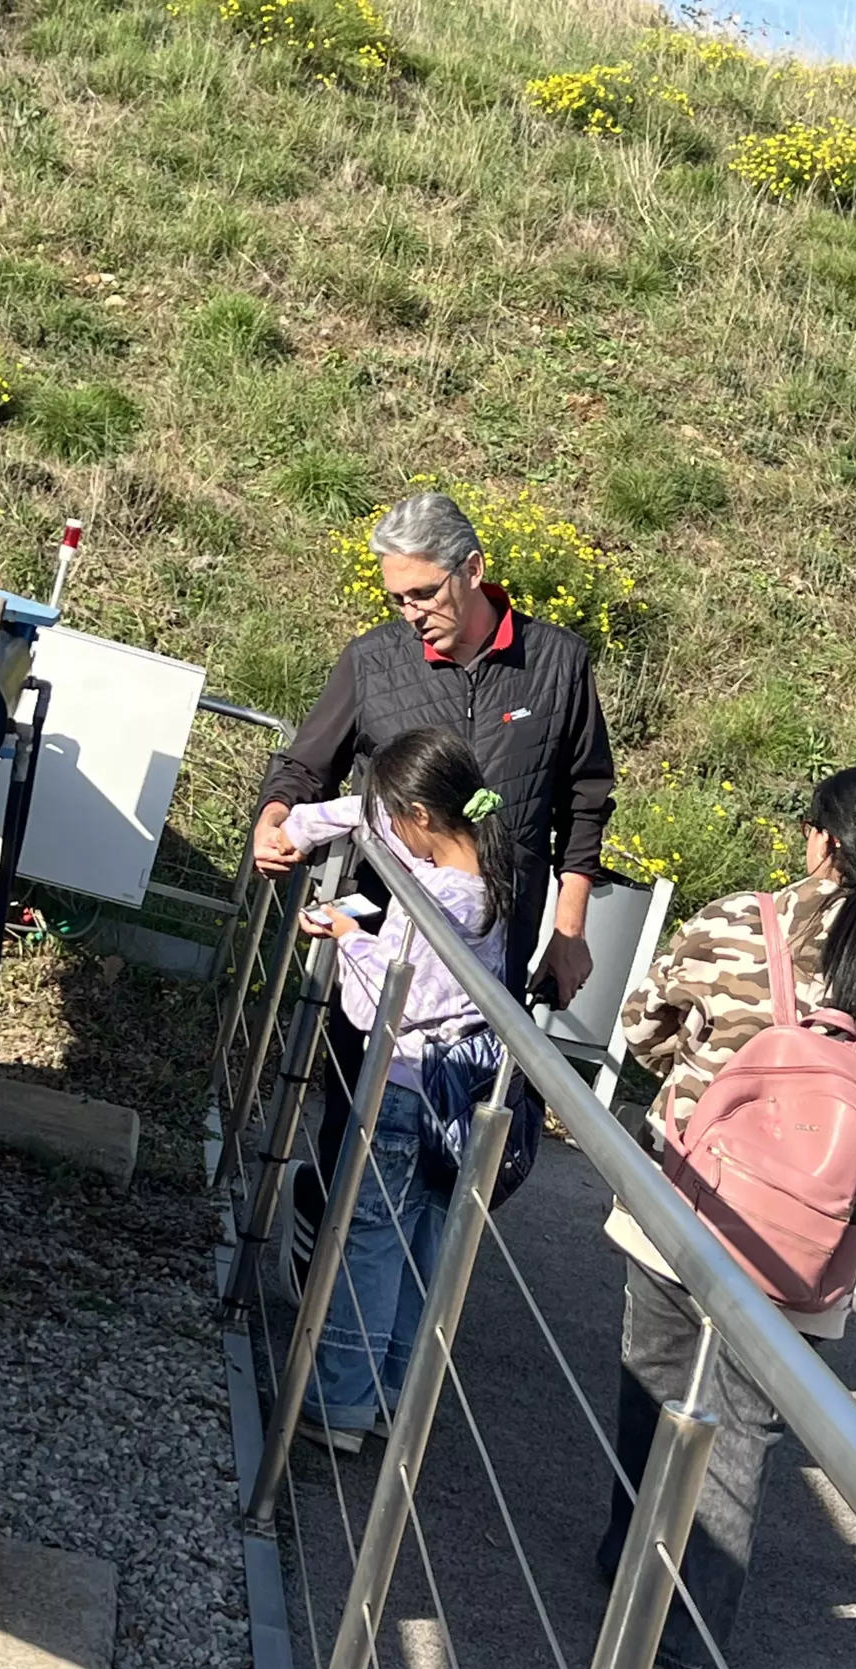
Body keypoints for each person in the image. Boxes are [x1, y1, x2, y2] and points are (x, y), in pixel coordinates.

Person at [598, 762, 856, 1669]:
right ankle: (685, 1641)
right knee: (742, 1428)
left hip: (688, 1203)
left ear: (820, 840)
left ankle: (624, 1564)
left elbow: (643, 1032)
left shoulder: (735, 924)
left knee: (653, 1378)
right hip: (809, 1243)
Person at [251, 490, 615, 1291]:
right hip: (383, 949)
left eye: (424, 593)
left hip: (497, 951)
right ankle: (330, 1291)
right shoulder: (373, 660)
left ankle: (396, 1321)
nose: (411, 612)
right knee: (362, 1122)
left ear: (474, 571)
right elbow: (306, 766)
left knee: (455, 1136)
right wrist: (275, 819)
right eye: (398, 598)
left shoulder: (558, 663)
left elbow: (585, 801)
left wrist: (570, 927)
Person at [280, 728, 513, 1454]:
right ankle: (384, 1396)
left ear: (418, 816)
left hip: (407, 1083)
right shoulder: (489, 882)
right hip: (459, 1095)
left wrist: (349, 934)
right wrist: (308, 821)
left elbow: (390, 997)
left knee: (370, 1244)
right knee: (420, 1249)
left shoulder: (434, 896)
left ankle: (337, 1403)